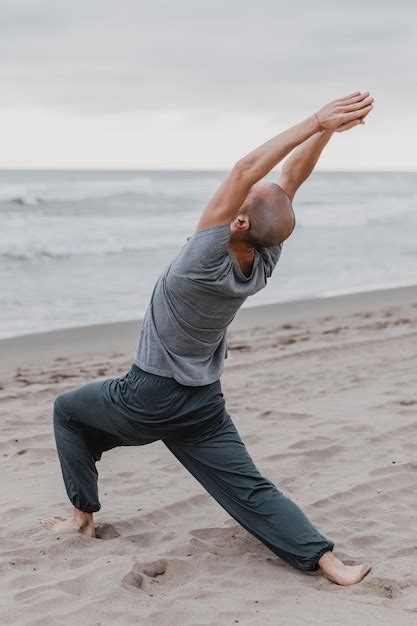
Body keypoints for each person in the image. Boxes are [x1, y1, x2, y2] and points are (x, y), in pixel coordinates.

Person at [42, 91, 374, 585]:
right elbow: (290, 182)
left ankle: (82, 518)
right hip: (201, 403)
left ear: (239, 221)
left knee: (67, 410)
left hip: (147, 397)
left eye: (241, 202)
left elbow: (245, 169)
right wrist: (327, 132)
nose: (237, 195)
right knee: (249, 487)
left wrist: (314, 119)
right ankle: (330, 563)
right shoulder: (264, 258)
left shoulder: (201, 262)